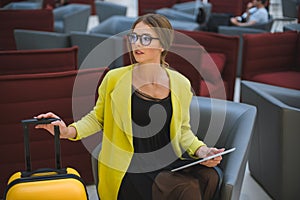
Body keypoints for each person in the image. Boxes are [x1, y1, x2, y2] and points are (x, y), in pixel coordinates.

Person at [35, 13, 225, 200]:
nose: (137, 43)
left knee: (211, 176)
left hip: (167, 160)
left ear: (164, 44)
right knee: (186, 188)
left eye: (145, 38)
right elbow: (97, 118)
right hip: (131, 166)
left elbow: (183, 130)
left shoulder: (181, 83)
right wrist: (68, 131)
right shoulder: (114, 79)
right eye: (134, 37)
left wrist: (202, 151)